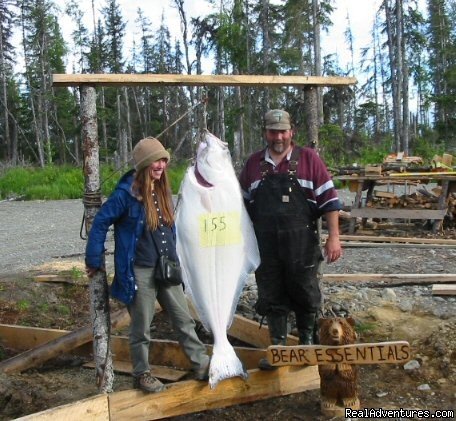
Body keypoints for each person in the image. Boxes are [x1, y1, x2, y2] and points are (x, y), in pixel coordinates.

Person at [85, 137, 210, 392]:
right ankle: (142, 374)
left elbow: (170, 230)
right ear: (144, 164)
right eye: (156, 160)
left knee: (184, 319)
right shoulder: (125, 194)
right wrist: (93, 258)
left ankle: (203, 365)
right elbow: (100, 223)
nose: (161, 165)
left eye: (163, 160)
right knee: (141, 328)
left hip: (166, 267)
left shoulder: (162, 189)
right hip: (139, 271)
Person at [239, 109, 342, 370]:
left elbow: (329, 202)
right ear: (265, 132)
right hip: (266, 246)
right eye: (273, 131)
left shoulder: (308, 159)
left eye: (283, 131)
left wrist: (334, 237)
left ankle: (306, 345)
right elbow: (240, 208)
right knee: (272, 294)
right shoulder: (253, 165)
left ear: (291, 131)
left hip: (302, 243)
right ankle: (277, 349)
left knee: (305, 293)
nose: (278, 137)